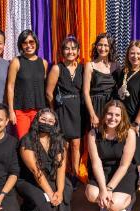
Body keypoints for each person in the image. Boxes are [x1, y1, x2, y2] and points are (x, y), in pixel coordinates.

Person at [16, 108, 72, 211]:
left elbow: (61, 168)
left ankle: (50, 205)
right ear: (37, 120)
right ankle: (28, 210)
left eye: (50, 121)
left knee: (66, 189)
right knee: (44, 204)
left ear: (55, 124)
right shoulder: (27, 140)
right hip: (29, 179)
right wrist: (51, 194)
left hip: (48, 176)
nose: (46, 123)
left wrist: (60, 191)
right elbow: (36, 172)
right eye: (43, 119)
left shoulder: (58, 140)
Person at [85, 100, 136, 211]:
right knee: (92, 194)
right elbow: (96, 163)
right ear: (104, 114)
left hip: (123, 172)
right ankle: (105, 202)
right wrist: (103, 189)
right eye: (110, 114)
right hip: (103, 170)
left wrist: (108, 189)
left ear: (122, 117)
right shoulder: (93, 134)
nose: (113, 118)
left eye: (117, 115)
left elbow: (124, 165)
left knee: (115, 205)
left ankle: (130, 198)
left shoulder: (129, 133)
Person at [46, 36, 83, 183]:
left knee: (76, 144)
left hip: (79, 110)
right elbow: (49, 93)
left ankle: (75, 173)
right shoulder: (57, 68)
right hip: (62, 110)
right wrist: (53, 112)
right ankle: (65, 174)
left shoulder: (83, 68)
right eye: (67, 48)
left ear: (78, 51)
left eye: (73, 48)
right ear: (62, 51)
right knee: (65, 145)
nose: (70, 51)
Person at [117, 40, 140, 170]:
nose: (135, 56)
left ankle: (138, 182)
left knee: (137, 153)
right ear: (128, 55)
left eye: (138, 53)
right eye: (132, 53)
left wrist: (136, 123)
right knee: (123, 151)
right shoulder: (123, 72)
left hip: (138, 120)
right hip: (122, 120)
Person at [7, 29, 48, 139]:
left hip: (39, 111)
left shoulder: (43, 63)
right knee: (24, 143)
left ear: (36, 43)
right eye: (25, 43)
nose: (28, 45)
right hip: (21, 111)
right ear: (21, 45)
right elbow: (10, 86)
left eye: (31, 42)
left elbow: (43, 88)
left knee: (39, 142)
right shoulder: (16, 61)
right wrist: (11, 111)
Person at [83, 32, 119, 129]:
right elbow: (86, 92)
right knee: (95, 138)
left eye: (106, 45)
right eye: (100, 45)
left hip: (111, 106)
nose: (102, 48)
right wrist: (92, 114)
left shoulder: (116, 66)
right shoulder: (90, 66)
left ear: (110, 47)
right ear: (96, 46)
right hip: (95, 106)